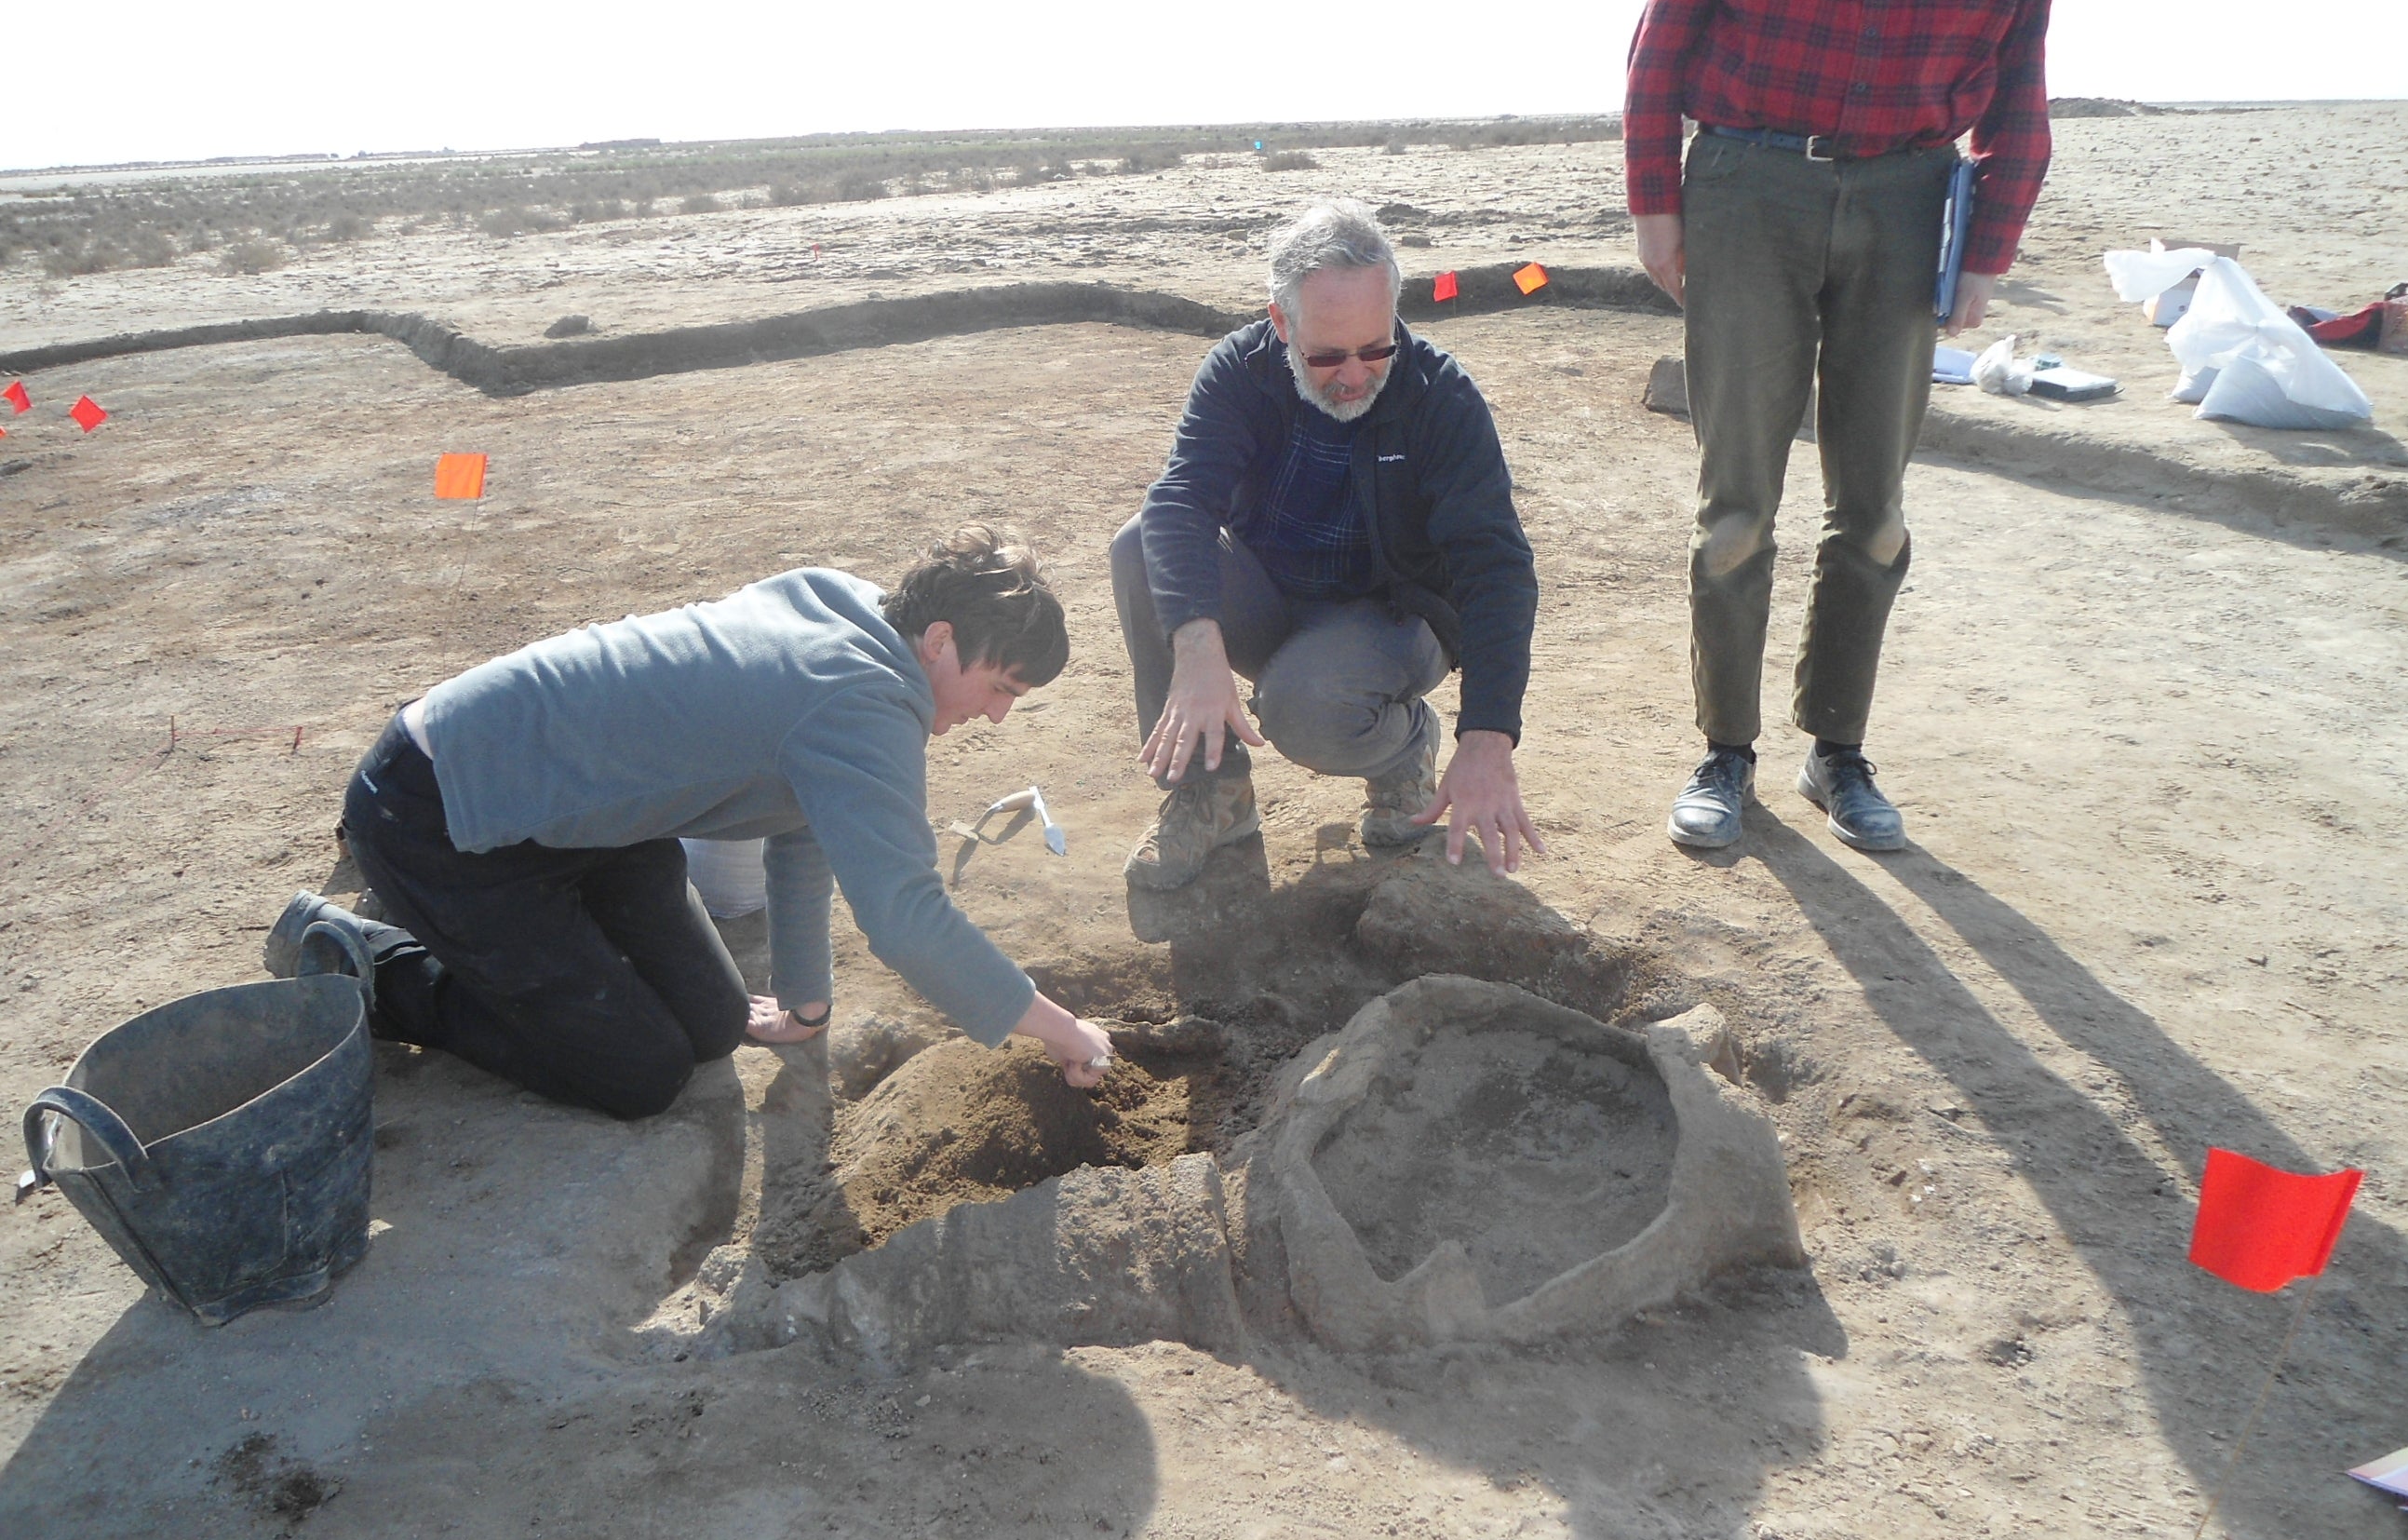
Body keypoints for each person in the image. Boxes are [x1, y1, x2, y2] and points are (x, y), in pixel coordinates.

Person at [264, 527, 1113, 1118]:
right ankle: (364, 960)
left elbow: (803, 830)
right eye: (1000, 687)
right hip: (444, 812)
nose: (998, 717)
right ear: (939, 640)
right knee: (640, 1072)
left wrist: (808, 1009)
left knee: (715, 1024)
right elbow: (904, 919)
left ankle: (537, 955)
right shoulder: (862, 702)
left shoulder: (852, 611)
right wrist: (1058, 1027)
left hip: (587, 820)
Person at [1625, 0, 2069, 852]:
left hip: (1911, 194)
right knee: (1736, 508)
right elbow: (1672, 8)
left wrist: (1989, 244)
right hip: (1748, 181)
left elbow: (2021, 56)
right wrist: (1656, 196)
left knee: (1873, 512)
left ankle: (1835, 751)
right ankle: (1725, 753)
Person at [1111, 198, 1540, 891]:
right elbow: (1181, 500)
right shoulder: (1240, 370)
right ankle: (1211, 794)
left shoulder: (1441, 398)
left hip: (1392, 619)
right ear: (1281, 323)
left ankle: (1403, 748)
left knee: (1304, 706)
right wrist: (1195, 645)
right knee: (1138, 549)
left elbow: (1497, 569)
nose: (1354, 375)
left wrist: (1487, 736)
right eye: (1327, 355)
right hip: (1277, 600)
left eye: (1377, 349)